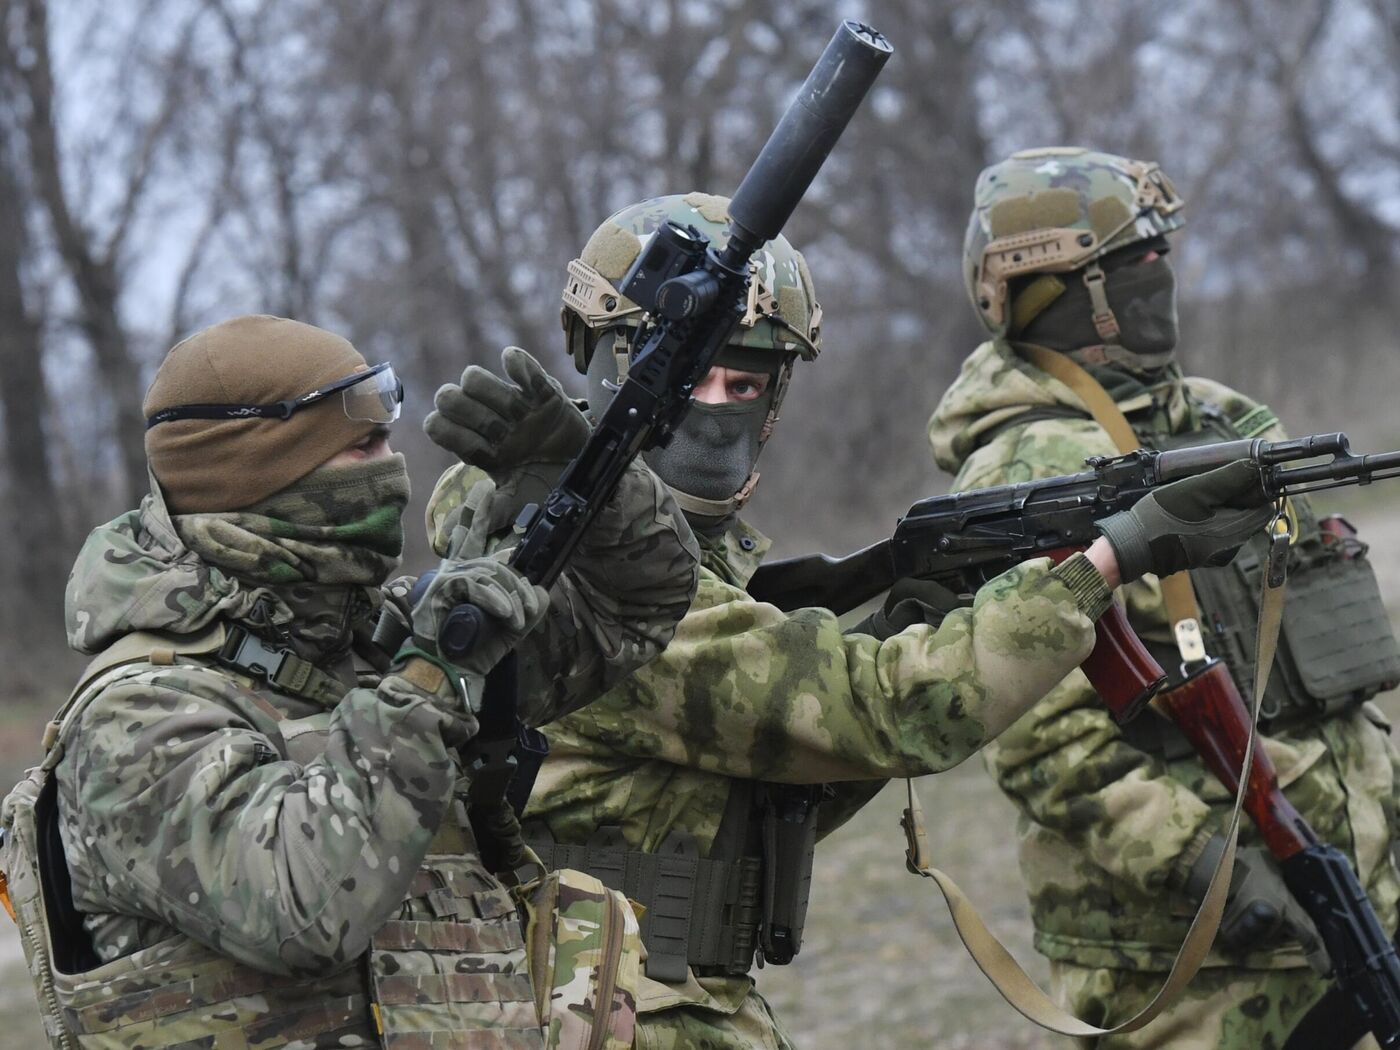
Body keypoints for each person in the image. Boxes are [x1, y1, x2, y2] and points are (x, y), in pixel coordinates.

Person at [423, 192, 1278, 1050]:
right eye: (694, 374)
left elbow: (780, 764)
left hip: (658, 1003)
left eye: (746, 381)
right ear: (612, 367)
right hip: (597, 1014)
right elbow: (891, 710)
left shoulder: (681, 569)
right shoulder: (579, 578)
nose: (718, 407)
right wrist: (1111, 559)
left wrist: (920, 605)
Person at [1, 313, 699, 1048]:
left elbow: (634, 607)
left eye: (385, 438)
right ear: (261, 470)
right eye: (361, 444)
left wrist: (582, 470)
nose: (390, 466)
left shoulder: (372, 644)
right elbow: (303, 908)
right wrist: (431, 677)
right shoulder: (134, 717)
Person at [927, 147, 1400, 1049]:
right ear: (1070, 291)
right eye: (1138, 263)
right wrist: (1215, 870)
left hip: (1341, 904)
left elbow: (1309, 666)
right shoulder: (1028, 472)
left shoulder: (1221, 422)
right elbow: (1041, 741)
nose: (1164, 279)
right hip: (1191, 959)